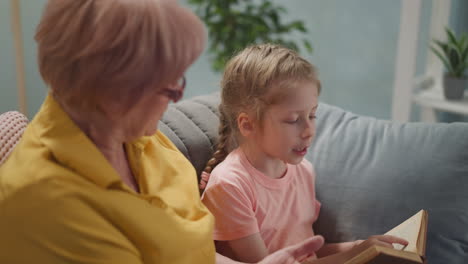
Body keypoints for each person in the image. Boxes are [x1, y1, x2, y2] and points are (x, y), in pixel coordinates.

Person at [0, 1, 326, 263]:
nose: (177, 98)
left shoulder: (141, 138)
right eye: (168, 88)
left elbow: (193, 252)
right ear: (113, 92)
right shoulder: (45, 202)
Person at [199, 44, 408, 263]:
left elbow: (306, 253)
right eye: (293, 120)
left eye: (313, 115)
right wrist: (352, 255)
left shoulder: (303, 171)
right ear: (248, 124)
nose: (309, 131)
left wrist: (361, 247)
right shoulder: (230, 185)